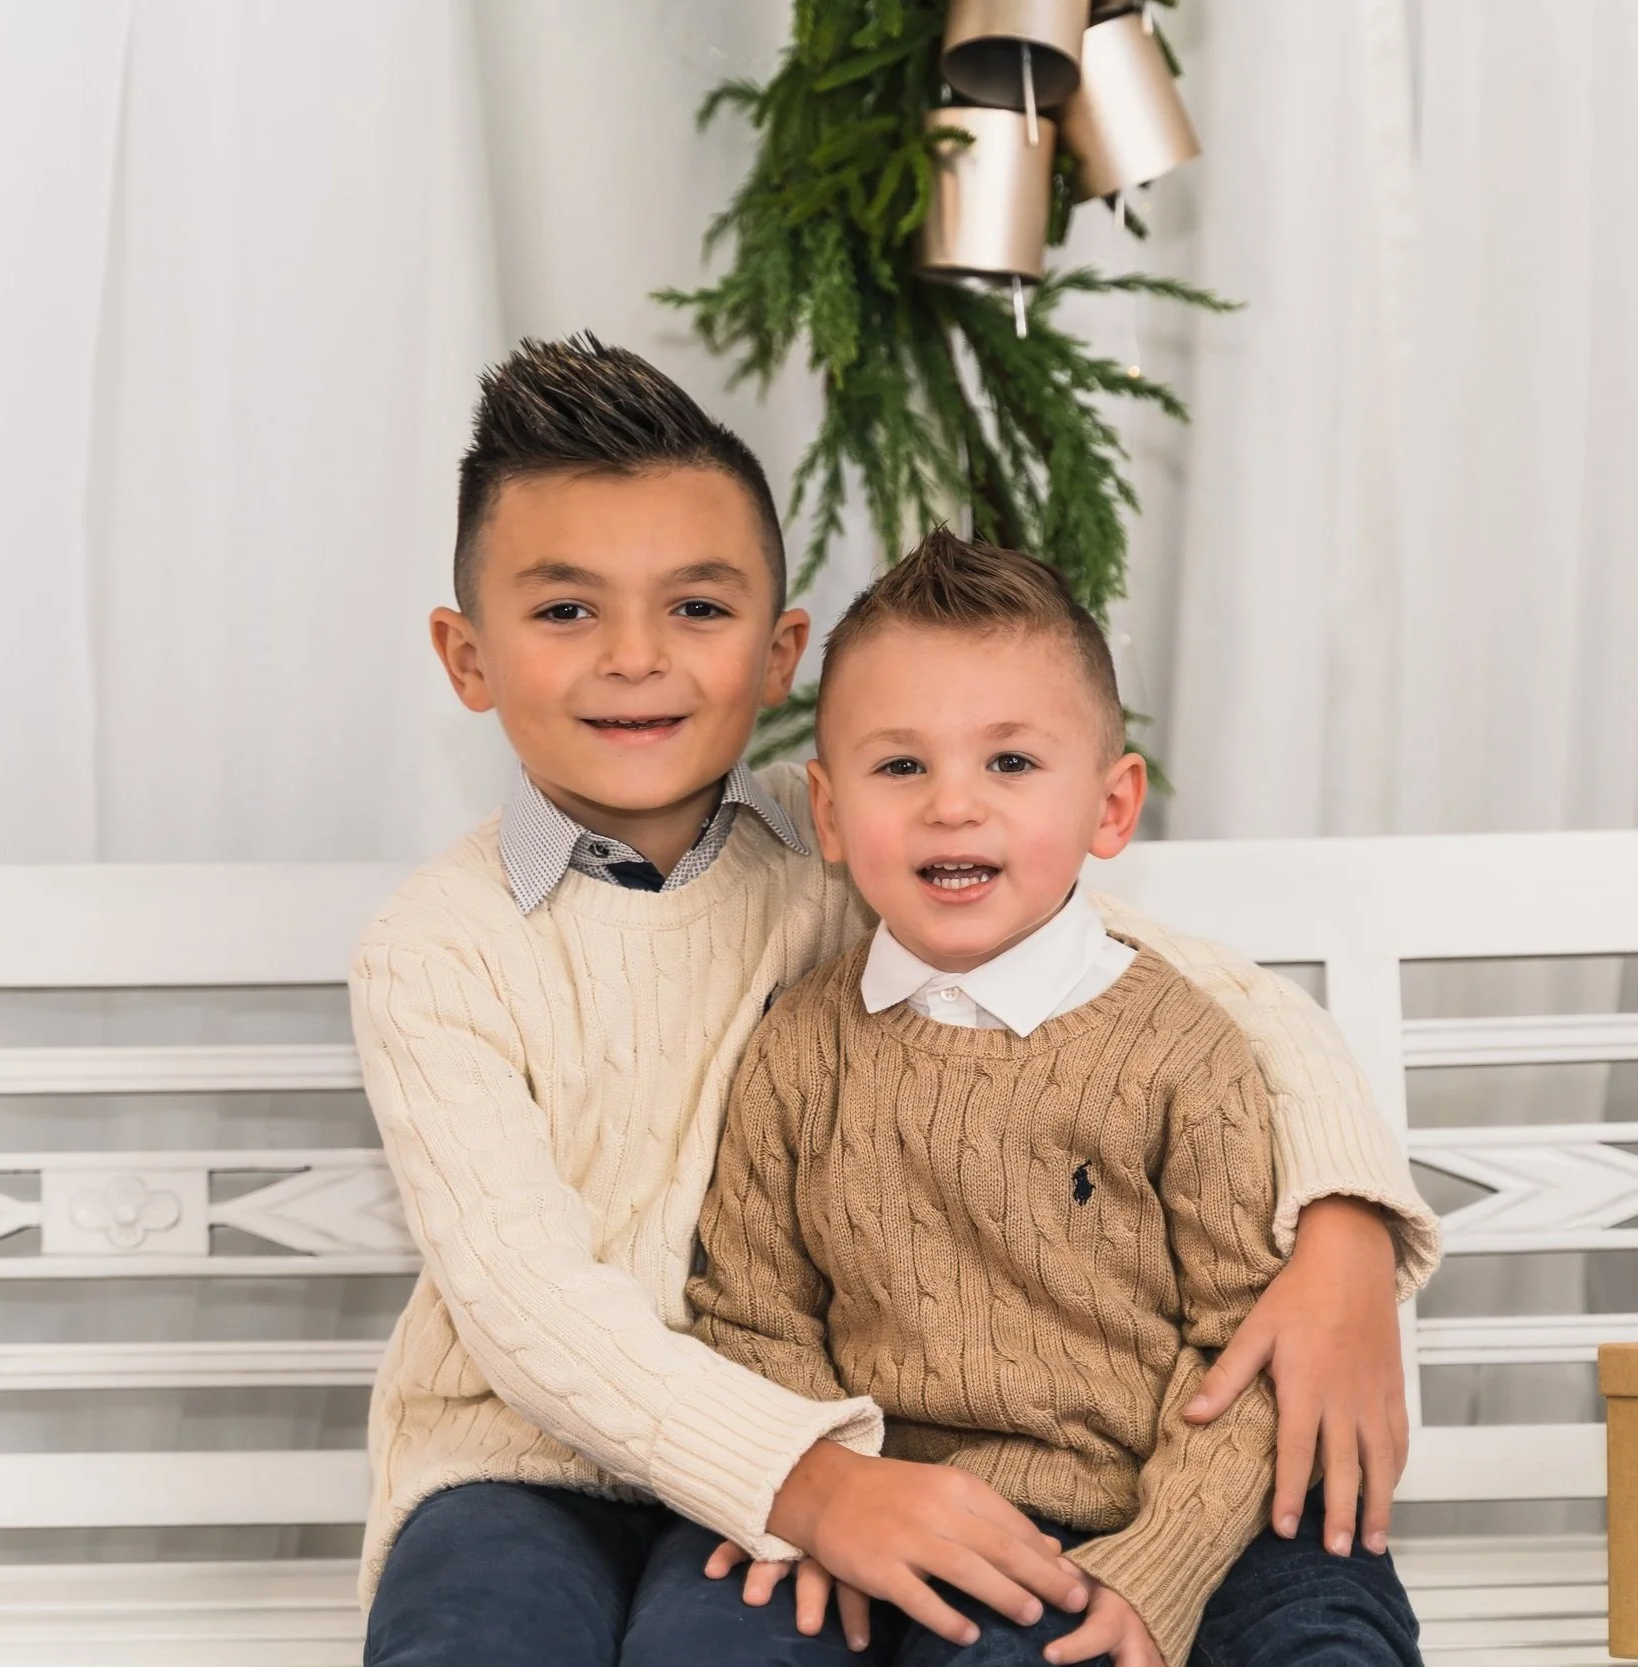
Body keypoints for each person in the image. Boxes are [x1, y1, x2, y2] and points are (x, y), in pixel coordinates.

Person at [350, 335, 1439, 1667]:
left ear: (775, 652)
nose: (634, 657)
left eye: (695, 608)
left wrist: (1342, 1226)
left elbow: (1201, 994)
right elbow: (528, 1307)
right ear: (466, 655)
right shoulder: (434, 946)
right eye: (566, 609)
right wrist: (811, 1480)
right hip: (530, 1463)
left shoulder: (839, 874)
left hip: (827, 1443)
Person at [682, 531, 1422, 1667]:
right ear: (827, 816)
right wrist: (830, 1491)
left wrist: (1157, 1562)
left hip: (1224, 1502)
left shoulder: (1182, 1050)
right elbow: (753, 1317)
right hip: (957, 1520)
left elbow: (1241, 1344)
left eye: (1010, 764)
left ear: (1109, 803)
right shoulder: (798, 1051)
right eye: (899, 767)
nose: (951, 807)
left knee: (1331, 1637)